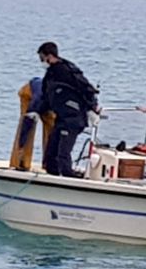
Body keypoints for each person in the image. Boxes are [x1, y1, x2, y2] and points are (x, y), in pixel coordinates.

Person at [36, 41, 100, 176]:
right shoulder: (50, 75)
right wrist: (37, 112)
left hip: (73, 119)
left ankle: (68, 177)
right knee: (51, 153)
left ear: (50, 56)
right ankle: (52, 175)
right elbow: (47, 97)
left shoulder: (67, 71)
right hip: (61, 118)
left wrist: (93, 107)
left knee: (63, 154)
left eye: (42, 58)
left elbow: (87, 88)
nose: (42, 61)